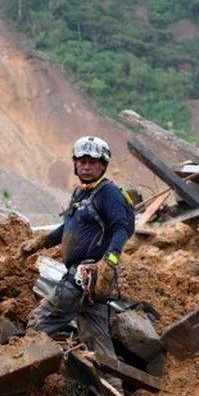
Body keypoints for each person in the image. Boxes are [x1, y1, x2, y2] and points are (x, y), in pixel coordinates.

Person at [20, 136, 135, 356]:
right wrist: (39, 243)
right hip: (89, 280)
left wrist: (109, 263)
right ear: (75, 164)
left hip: (87, 275)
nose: (86, 166)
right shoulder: (81, 193)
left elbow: (121, 229)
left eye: (92, 162)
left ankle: (26, 365)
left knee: (41, 321)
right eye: (82, 161)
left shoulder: (107, 193)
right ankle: (111, 380)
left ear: (103, 165)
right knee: (95, 334)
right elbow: (68, 228)